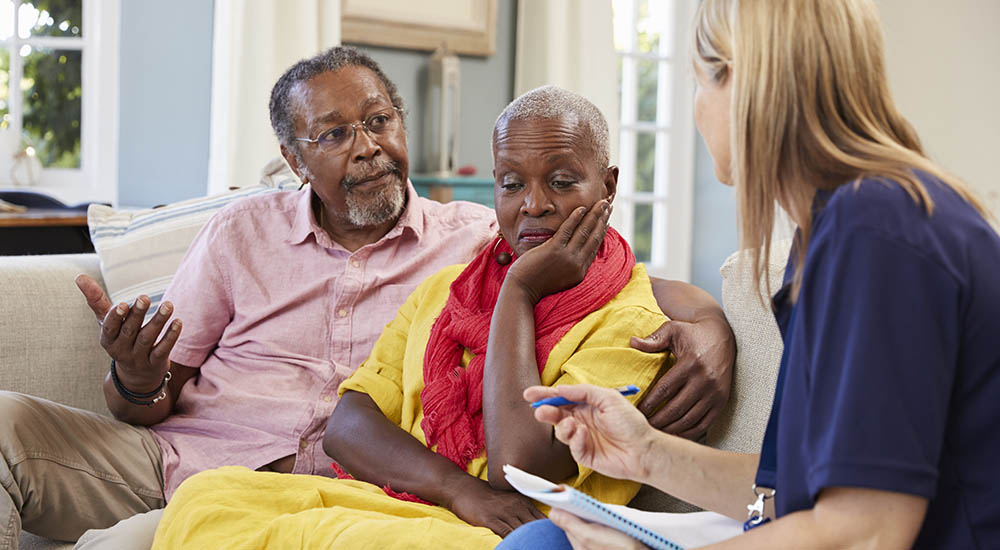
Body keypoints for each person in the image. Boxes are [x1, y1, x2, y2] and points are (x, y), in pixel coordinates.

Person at [0, 48, 734, 550]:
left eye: (380, 121)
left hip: (375, 488)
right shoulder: (241, 233)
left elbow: (603, 273)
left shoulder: (477, 242)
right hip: (191, 459)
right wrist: (134, 377)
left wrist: (709, 321)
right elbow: (145, 404)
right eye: (335, 133)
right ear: (294, 158)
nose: (368, 146)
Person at [500, 0, 1000, 548]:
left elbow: (866, 533)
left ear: (740, 79)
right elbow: (789, 492)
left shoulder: (876, 231)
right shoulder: (844, 228)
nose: (697, 110)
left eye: (699, 82)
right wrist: (644, 452)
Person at [150, 85, 682, 550]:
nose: (533, 205)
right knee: (208, 496)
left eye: (562, 182)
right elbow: (348, 426)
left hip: (518, 532)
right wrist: (457, 489)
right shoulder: (446, 290)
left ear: (607, 187)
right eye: (511, 184)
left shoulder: (628, 323)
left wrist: (519, 291)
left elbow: (517, 469)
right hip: (417, 502)